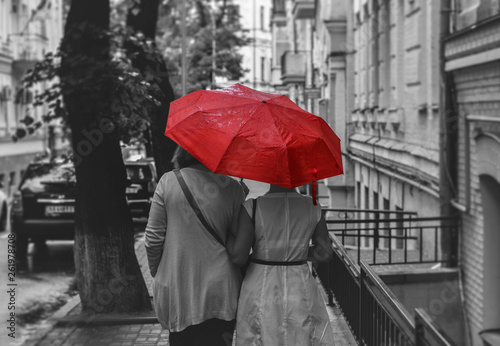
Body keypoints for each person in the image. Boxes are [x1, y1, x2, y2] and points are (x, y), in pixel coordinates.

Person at [145, 146, 246, 346]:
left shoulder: (168, 181)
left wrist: (159, 271)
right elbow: (239, 239)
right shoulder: (232, 187)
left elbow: (153, 239)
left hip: (180, 287)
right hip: (221, 290)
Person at [227, 184, 335, 346]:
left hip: (260, 284)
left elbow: (238, 257)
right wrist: (298, 251)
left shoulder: (252, 206)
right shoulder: (313, 206)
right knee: (302, 335)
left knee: (259, 335)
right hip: (299, 284)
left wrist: (226, 233)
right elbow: (325, 253)